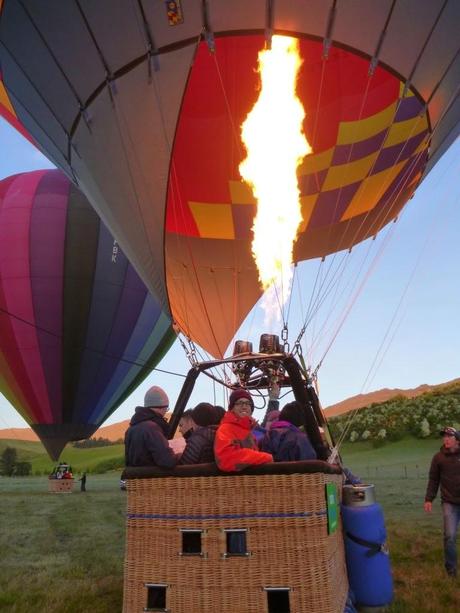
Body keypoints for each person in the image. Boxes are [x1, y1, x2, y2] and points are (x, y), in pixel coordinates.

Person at [424, 426, 460, 577]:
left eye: (449, 436)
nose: (445, 439)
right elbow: (434, 480)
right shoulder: (438, 458)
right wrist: (429, 499)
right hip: (449, 502)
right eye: (444, 436)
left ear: (457, 440)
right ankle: (451, 570)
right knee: (449, 536)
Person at [214, 389, 273, 472]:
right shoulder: (225, 429)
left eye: (248, 404)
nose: (244, 406)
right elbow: (226, 459)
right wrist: (266, 457)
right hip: (235, 483)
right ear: (232, 408)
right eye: (239, 403)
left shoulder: (248, 431)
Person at [124, 385, 178, 468]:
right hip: (152, 479)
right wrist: (181, 455)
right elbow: (167, 461)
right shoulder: (151, 428)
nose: (165, 412)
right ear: (160, 408)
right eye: (166, 408)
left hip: (136, 480)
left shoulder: (130, 430)